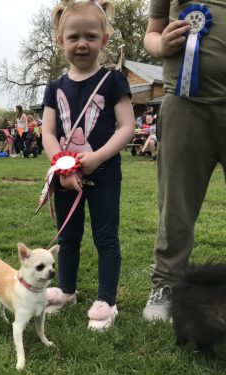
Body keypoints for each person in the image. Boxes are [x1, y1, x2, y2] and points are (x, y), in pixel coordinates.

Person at [42, 0, 134, 331]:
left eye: (91, 37)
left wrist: (96, 158)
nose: (83, 44)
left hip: (105, 175)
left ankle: (106, 301)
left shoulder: (113, 81)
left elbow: (127, 127)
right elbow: (48, 133)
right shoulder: (54, 87)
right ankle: (67, 291)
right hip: (66, 178)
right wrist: (62, 169)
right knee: (68, 237)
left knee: (105, 237)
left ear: (104, 40)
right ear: (61, 40)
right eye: (74, 37)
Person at [142, 1, 226, 322]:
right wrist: (160, 44)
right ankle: (165, 284)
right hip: (185, 104)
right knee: (175, 206)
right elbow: (151, 33)